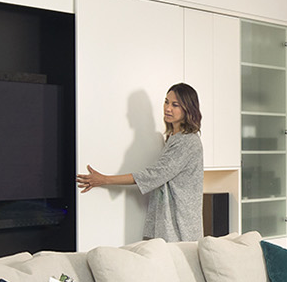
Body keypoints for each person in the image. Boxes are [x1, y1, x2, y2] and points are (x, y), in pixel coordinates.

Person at [77, 83, 204, 242]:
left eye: (175, 105)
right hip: (166, 222)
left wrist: (104, 179)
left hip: (181, 227)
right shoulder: (172, 138)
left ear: (188, 109)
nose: (167, 108)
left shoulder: (188, 142)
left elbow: (154, 175)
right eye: (166, 102)